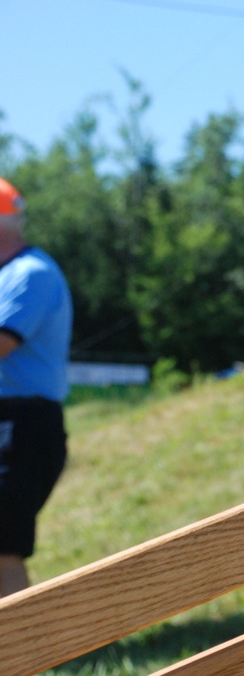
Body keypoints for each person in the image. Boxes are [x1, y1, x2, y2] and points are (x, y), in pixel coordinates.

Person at [0, 177, 73, 597]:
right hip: (11, 419)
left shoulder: (30, 274)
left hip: (23, 424)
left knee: (4, 547)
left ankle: (18, 638)